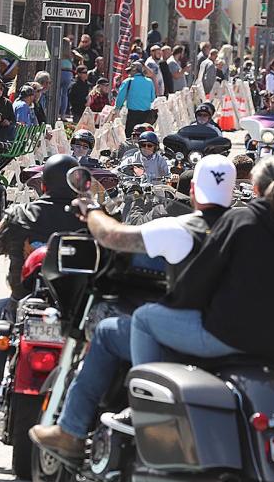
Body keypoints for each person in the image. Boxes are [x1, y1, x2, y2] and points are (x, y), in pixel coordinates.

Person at [28, 156, 235, 458]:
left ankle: (71, 431)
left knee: (109, 332)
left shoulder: (181, 229)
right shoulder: (242, 228)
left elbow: (111, 236)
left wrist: (92, 209)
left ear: (192, 189)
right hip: (232, 339)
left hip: (189, 337)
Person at [128, 156, 274, 373]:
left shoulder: (237, 220)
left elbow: (200, 277)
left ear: (254, 187)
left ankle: (145, 397)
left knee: (143, 318)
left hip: (232, 337)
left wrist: (174, 303)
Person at [0, 153, 82, 305]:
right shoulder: (92, 219)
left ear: (43, 185)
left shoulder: (20, 214)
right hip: (76, 313)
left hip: (22, 306)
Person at [116, 61, 157, 134]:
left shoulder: (128, 81)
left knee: (130, 135)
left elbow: (120, 98)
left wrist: (117, 109)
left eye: (130, 71)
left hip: (132, 114)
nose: (129, 73)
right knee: (144, 134)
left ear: (134, 70)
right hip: (146, 114)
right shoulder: (149, 81)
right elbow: (152, 99)